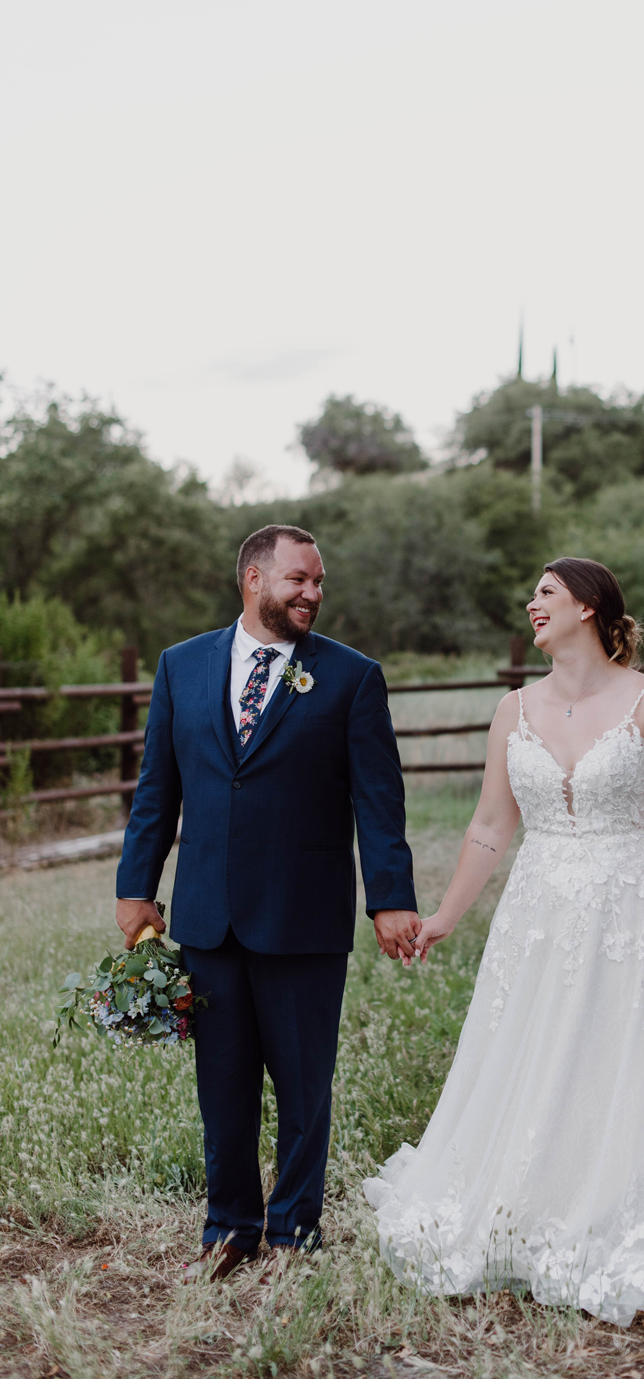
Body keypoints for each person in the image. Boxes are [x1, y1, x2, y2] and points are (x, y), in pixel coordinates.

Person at [364, 557, 644, 1325]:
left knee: (620, 1055)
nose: (531, 605)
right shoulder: (514, 709)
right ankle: (530, 1200)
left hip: (628, 907)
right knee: (535, 1051)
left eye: (545, 592)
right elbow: (490, 824)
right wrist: (445, 915)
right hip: (537, 913)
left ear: (588, 607)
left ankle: (618, 1205)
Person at [116, 524, 419, 1281]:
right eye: (298, 580)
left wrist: (390, 897)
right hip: (207, 916)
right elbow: (157, 787)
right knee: (222, 1084)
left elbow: (379, 800)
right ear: (254, 580)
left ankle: (292, 1233)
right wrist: (135, 886)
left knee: (303, 1086)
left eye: (318, 582)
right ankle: (229, 1228)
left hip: (303, 915)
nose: (312, 593)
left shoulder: (351, 677)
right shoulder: (181, 665)